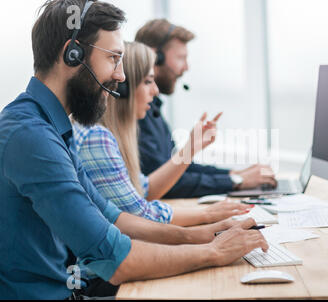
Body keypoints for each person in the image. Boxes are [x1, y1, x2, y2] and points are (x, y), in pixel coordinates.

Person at [0, 0, 268, 300]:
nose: (121, 76)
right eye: (114, 58)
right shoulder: (31, 137)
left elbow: (114, 217)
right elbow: (115, 259)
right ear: (72, 55)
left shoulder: (54, 128)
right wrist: (212, 252)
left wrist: (201, 234)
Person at [73, 41, 254, 227]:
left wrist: (191, 148)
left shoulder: (107, 134)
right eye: (148, 81)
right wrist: (207, 214)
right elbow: (138, 215)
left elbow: (144, 188)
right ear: (122, 87)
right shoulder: (96, 137)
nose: (156, 91)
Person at [135, 19, 277, 198]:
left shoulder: (153, 108)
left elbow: (177, 167)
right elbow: (163, 182)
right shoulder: (135, 113)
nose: (186, 67)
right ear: (155, 57)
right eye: (181, 58)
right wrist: (235, 182)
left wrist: (233, 175)